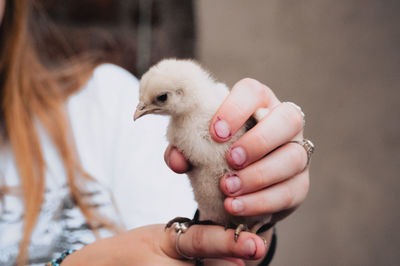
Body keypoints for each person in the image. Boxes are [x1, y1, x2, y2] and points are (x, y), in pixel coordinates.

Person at [0, 1, 312, 265]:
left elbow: (198, 247)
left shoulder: (106, 104)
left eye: (158, 101)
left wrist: (256, 205)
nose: (144, 109)